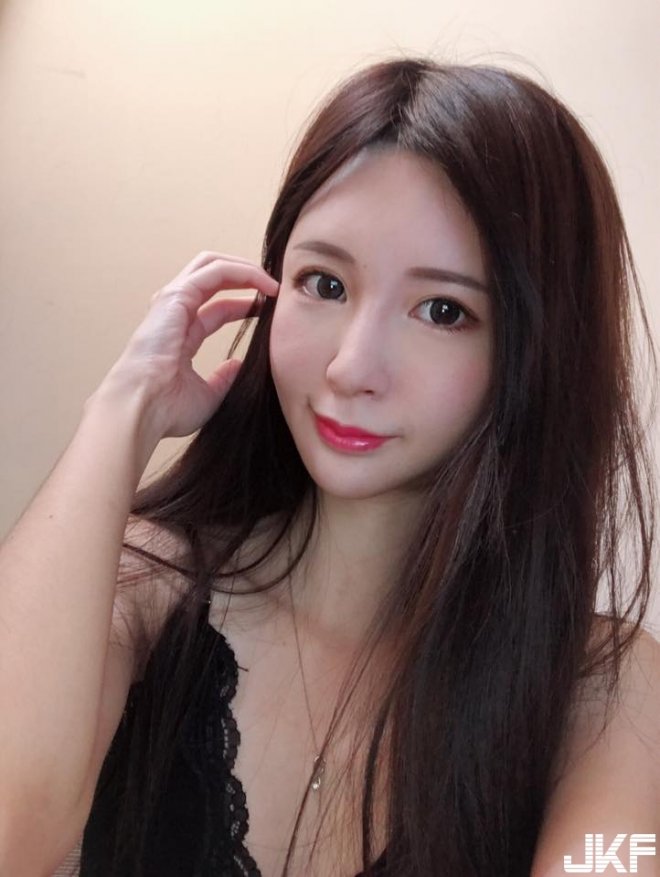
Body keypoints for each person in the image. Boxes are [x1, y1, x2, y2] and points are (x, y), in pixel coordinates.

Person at [1, 55, 659, 877]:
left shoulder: (606, 690)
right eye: (324, 283)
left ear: (537, 351)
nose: (352, 366)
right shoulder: (143, 587)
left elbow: (615, 860)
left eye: (443, 310)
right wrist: (123, 405)